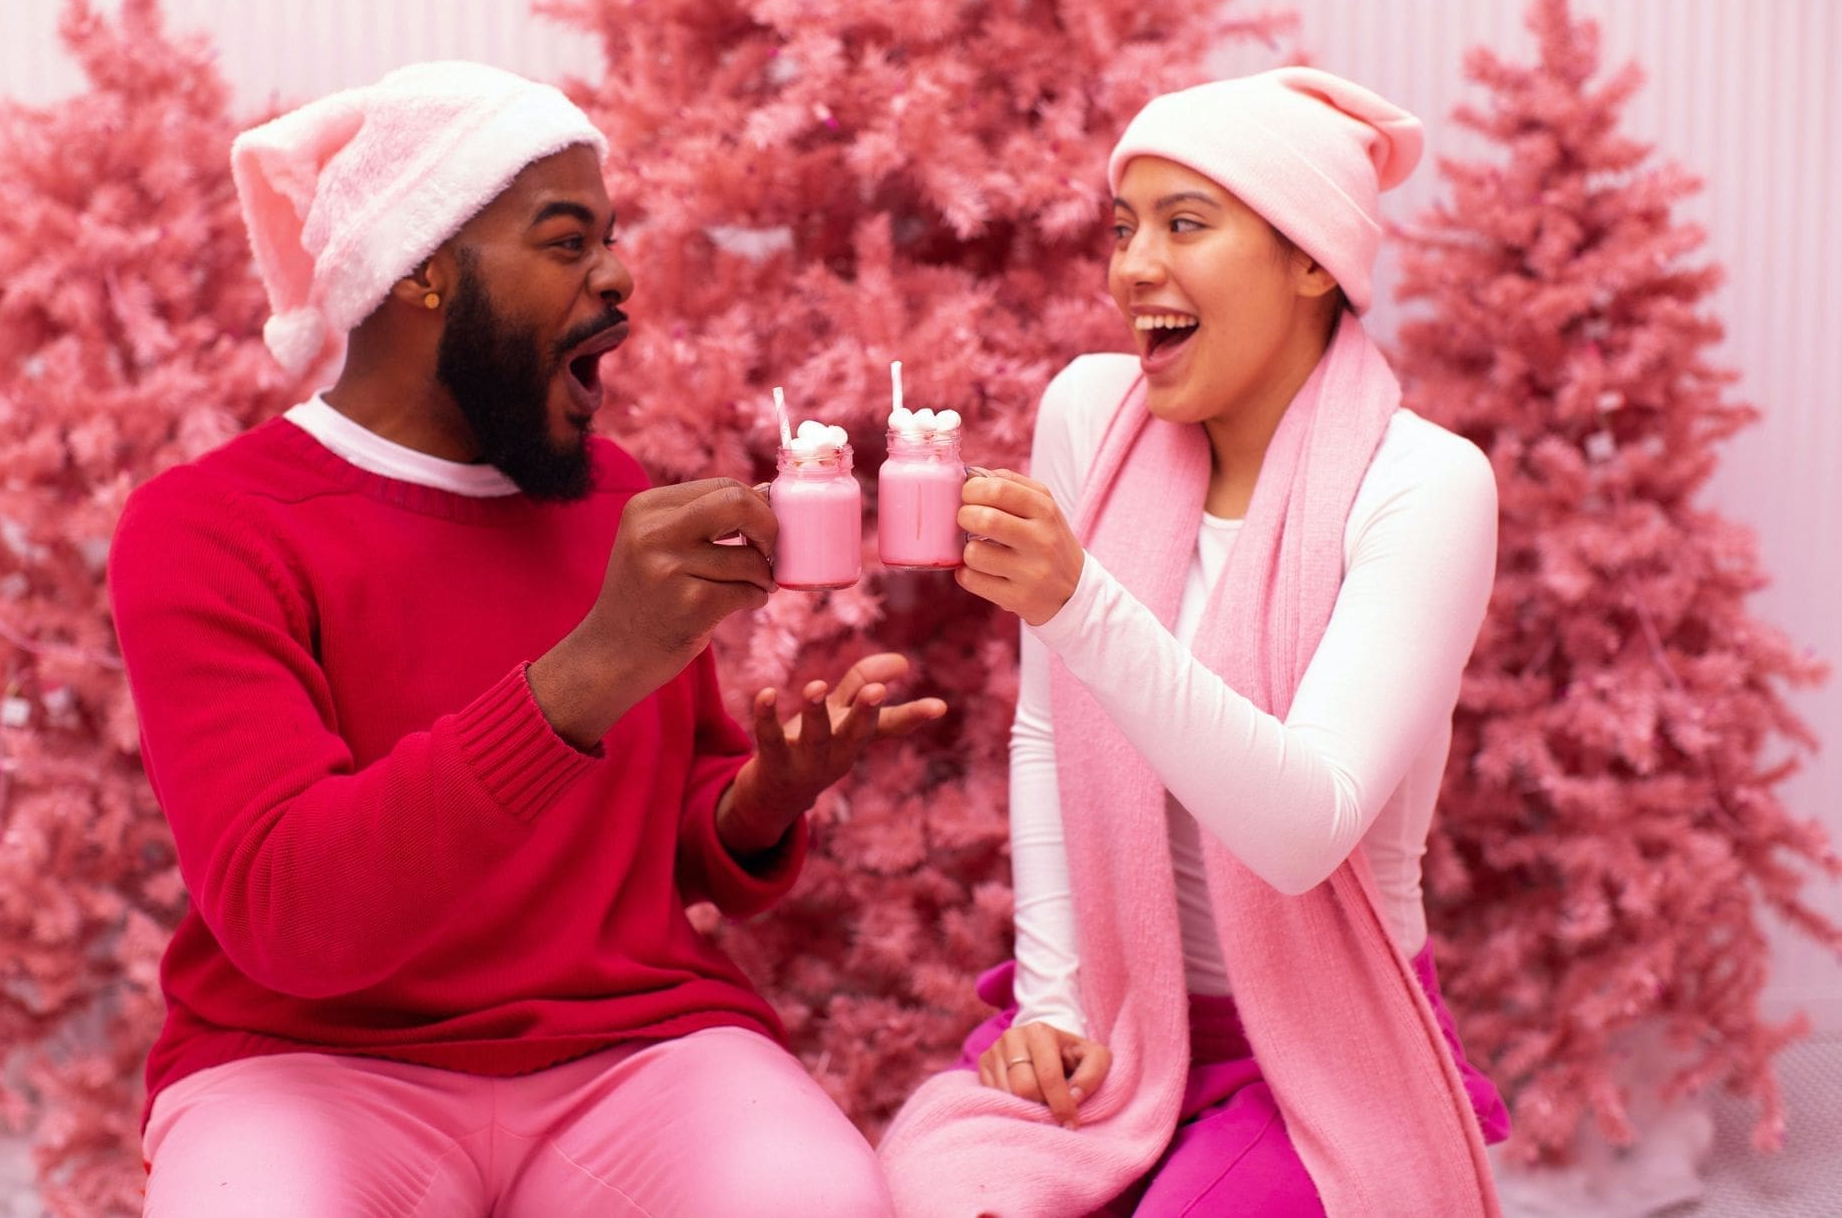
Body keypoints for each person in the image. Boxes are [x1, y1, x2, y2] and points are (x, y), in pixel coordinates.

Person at [107, 61, 940, 1217]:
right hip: (308, 1059)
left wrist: (752, 803)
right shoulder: (210, 527)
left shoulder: (612, 496)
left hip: (632, 1047)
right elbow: (285, 914)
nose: (617, 275)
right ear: (428, 272)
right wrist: (588, 670)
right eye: (564, 241)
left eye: (608, 236)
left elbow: (657, 844)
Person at [877, 68, 1512, 1217]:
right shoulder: (1089, 415)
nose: (1131, 268)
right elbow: (1041, 730)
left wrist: (1081, 604)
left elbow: (1301, 827)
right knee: (940, 1181)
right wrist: (1054, 1006)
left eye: (1183, 225)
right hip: (1127, 1014)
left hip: (1332, 1041)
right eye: (1122, 229)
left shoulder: (1423, 485)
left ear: (1311, 259)